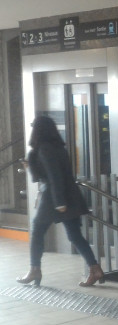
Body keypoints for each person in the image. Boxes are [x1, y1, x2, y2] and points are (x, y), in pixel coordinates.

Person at [16, 116, 105, 287]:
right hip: (69, 196)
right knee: (74, 235)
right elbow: (39, 176)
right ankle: (95, 269)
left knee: (37, 231)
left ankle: (35, 269)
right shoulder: (57, 148)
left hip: (54, 197)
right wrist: (30, 165)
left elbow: (54, 177)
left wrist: (59, 203)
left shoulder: (44, 149)